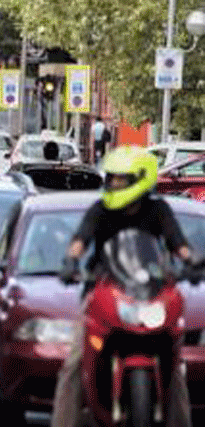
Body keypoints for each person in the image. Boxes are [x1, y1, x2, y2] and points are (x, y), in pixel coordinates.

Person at [52, 146, 194, 427]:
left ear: (141, 179)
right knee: (74, 363)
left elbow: (177, 243)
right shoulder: (101, 210)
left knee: (175, 365)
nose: (114, 184)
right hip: (103, 293)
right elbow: (81, 238)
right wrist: (70, 261)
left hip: (149, 295)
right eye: (112, 178)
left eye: (121, 179)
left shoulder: (158, 210)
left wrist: (193, 261)